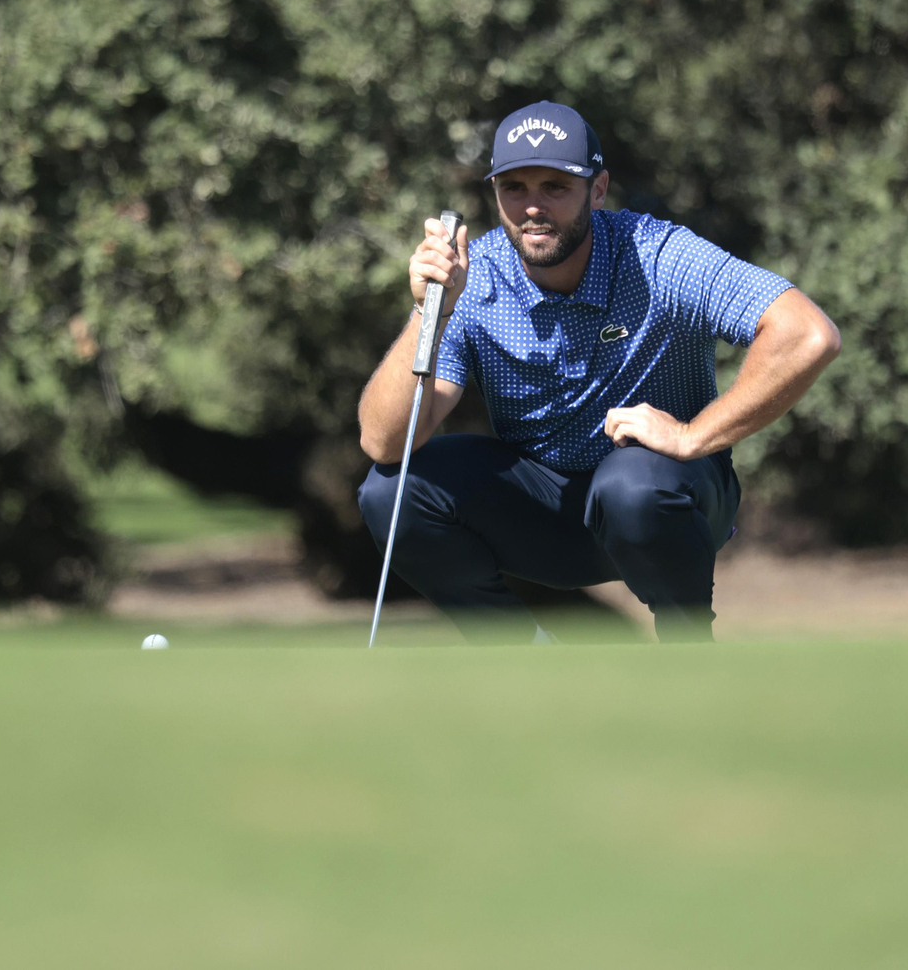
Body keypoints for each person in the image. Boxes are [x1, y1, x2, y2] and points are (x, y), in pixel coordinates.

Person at [357, 100, 840, 642]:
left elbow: (807, 334)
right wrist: (429, 311)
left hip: (667, 499)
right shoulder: (471, 280)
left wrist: (691, 435)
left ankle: (690, 658)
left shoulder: (657, 255)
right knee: (387, 491)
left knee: (631, 484)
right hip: (547, 513)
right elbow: (382, 441)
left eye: (555, 187)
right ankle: (526, 667)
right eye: (514, 187)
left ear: (599, 188)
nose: (532, 207)